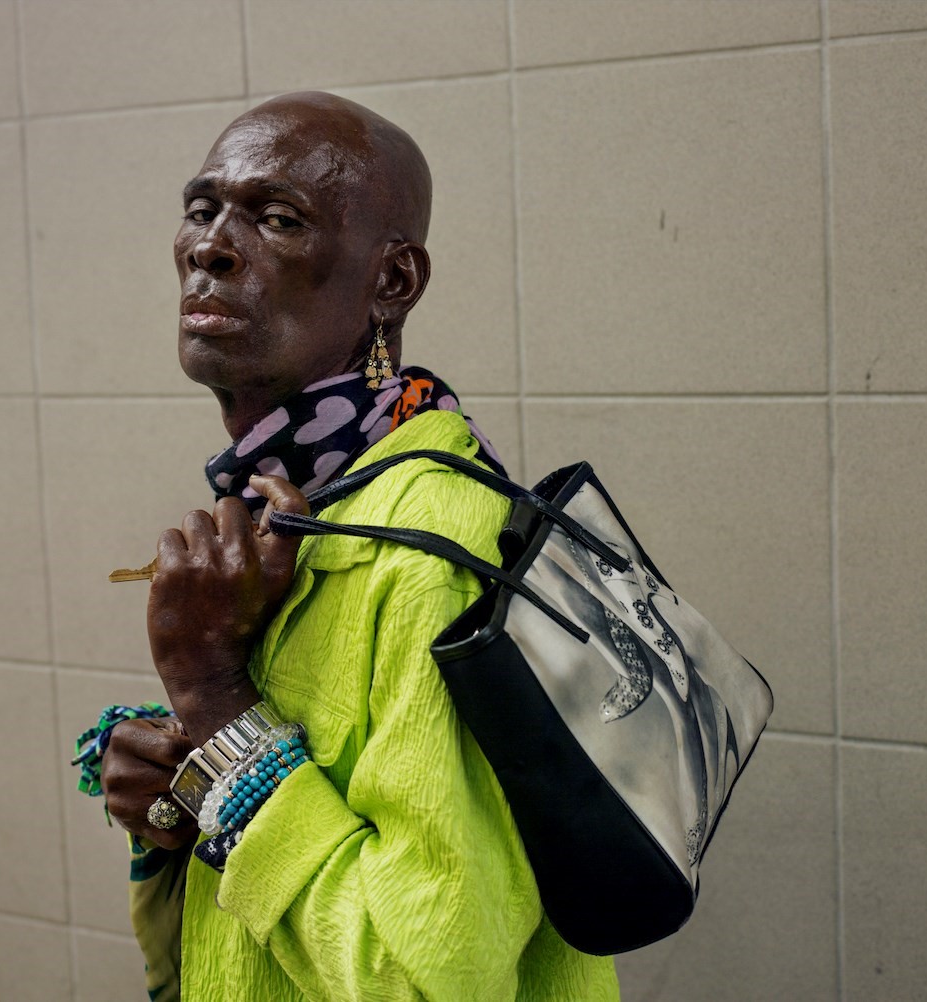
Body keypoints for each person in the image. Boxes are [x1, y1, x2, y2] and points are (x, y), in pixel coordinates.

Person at [96, 91, 620, 1001]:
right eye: (200, 207)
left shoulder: (429, 547)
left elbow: (420, 979)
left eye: (277, 218)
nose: (209, 246)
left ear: (392, 282)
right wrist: (183, 801)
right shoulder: (309, 505)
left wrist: (215, 699)